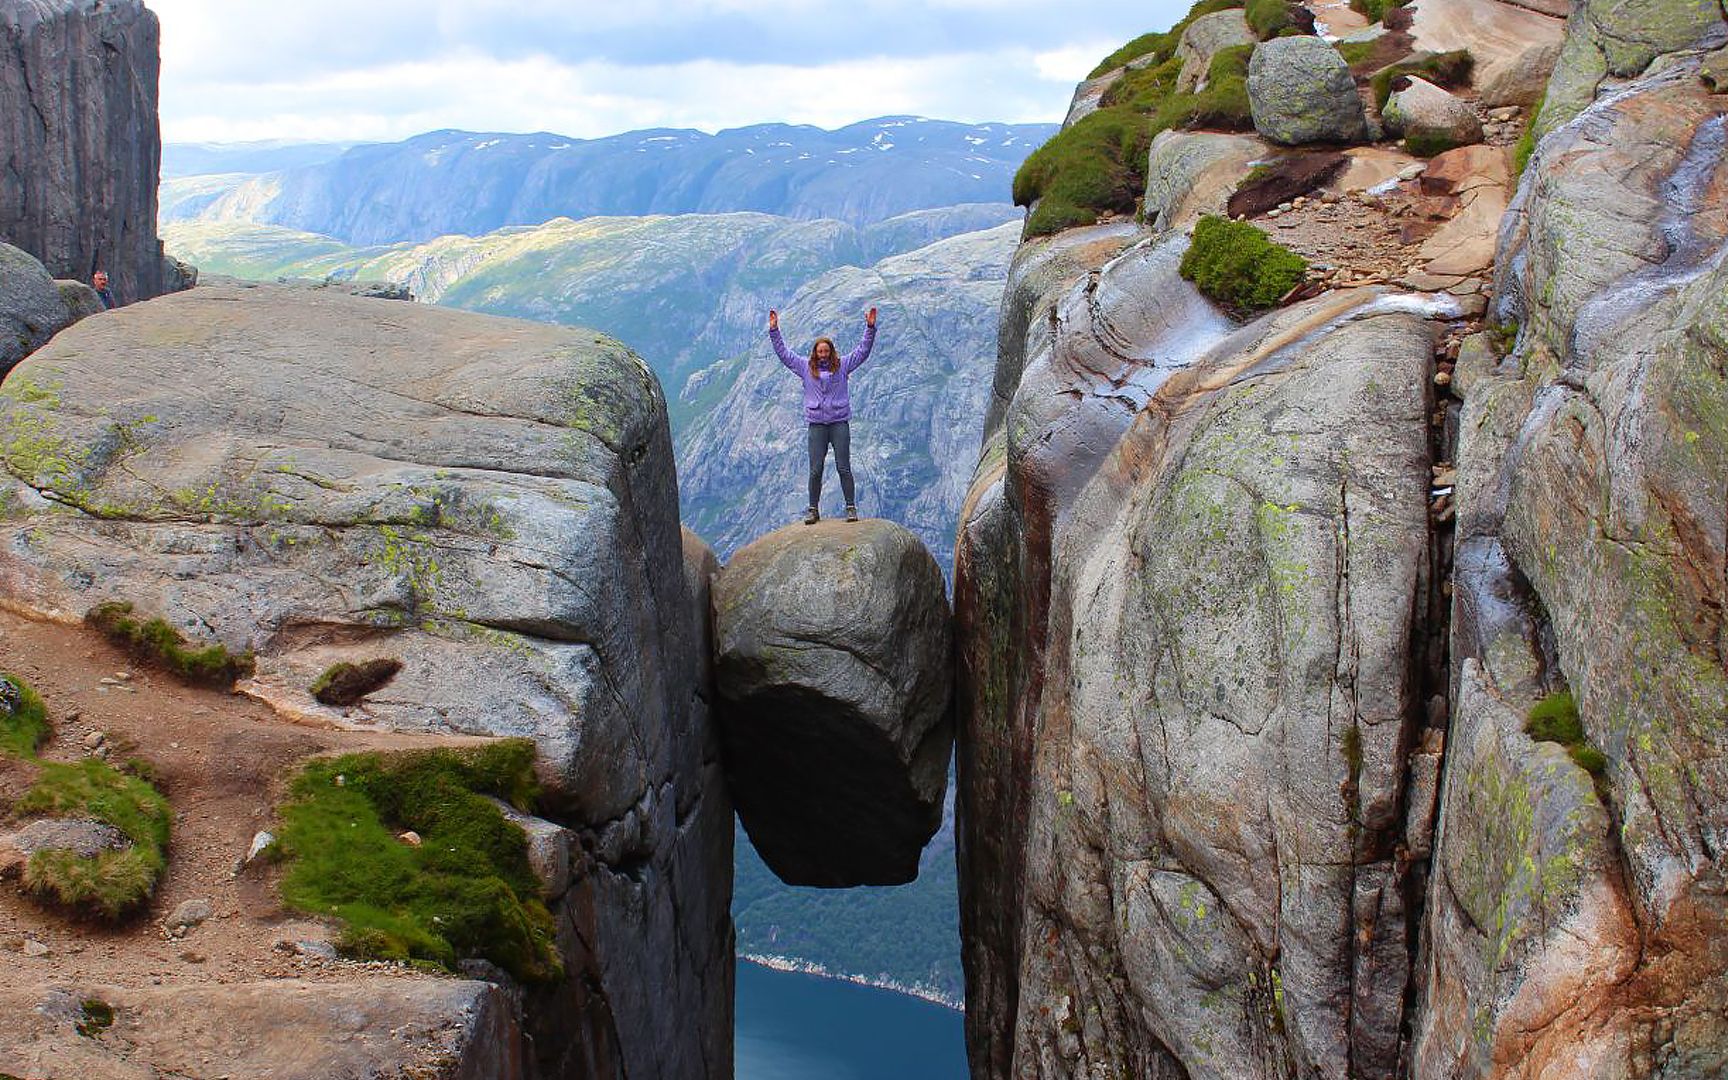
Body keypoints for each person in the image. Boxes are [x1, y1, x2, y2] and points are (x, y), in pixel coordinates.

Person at [769, 306, 877, 524]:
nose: (823, 354)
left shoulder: (843, 365)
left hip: (839, 423)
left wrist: (870, 328)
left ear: (831, 351)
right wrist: (774, 331)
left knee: (843, 467)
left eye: (826, 351)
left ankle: (850, 507)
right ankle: (813, 510)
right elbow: (784, 354)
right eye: (820, 351)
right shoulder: (804, 367)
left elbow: (863, 351)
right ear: (815, 353)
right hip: (817, 425)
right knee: (815, 469)